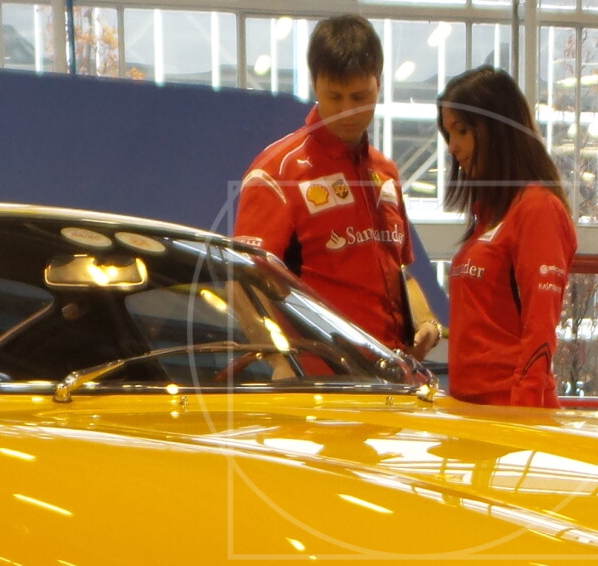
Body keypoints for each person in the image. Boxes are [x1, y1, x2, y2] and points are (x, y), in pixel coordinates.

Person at [232, 17, 440, 357]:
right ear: (315, 85)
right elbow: (243, 283)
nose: (347, 111)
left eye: (359, 97)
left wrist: (427, 321)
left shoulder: (385, 172)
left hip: (392, 373)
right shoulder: (277, 171)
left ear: (379, 83)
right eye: (335, 97)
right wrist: (278, 363)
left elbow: (401, 272)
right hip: (321, 377)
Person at [437, 66, 576, 408]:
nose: (453, 146)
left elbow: (540, 327)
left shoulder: (537, 209)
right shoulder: (489, 218)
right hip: (472, 410)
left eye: (462, 130)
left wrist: (521, 415)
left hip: (512, 412)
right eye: (449, 134)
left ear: (497, 129)